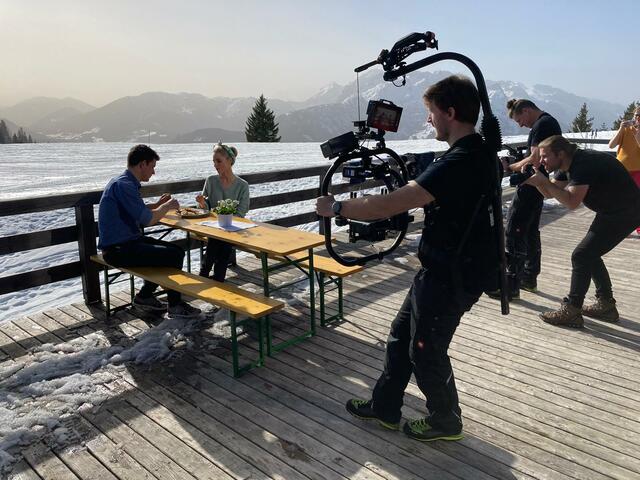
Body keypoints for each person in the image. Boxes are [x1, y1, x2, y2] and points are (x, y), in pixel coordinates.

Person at [316, 75, 498, 442]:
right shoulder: (477, 151)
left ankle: (446, 420)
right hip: (442, 267)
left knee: (426, 350)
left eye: (432, 113)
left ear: (449, 112)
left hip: (453, 275)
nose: (428, 120)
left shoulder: (461, 159)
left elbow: (388, 205)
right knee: (401, 338)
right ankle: (385, 406)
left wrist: (335, 207)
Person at [524, 135, 640, 327]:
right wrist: (538, 182)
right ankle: (606, 305)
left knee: (581, 255)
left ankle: (572, 310)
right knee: (589, 254)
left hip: (626, 212)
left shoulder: (584, 164)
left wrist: (545, 182)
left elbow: (571, 202)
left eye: (544, 156)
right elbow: (551, 193)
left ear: (560, 154)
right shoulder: (566, 163)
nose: (541, 160)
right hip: (612, 210)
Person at [98, 144, 201, 318]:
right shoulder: (125, 185)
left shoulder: (122, 181)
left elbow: (135, 210)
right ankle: (172, 304)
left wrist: (157, 206)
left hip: (125, 243)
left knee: (176, 251)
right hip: (118, 250)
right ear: (142, 164)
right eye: (152, 166)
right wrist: (167, 207)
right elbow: (147, 219)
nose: (153, 172)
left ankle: (146, 296)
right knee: (173, 256)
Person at [489, 99, 562, 299]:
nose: (520, 124)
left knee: (514, 230)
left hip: (531, 184)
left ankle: (511, 284)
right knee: (529, 231)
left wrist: (510, 167)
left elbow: (535, 158)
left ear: (527, 111)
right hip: (539, 184)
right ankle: (529, 278)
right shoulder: (549, 122)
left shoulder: (542, 125)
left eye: (519, 119)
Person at [196, 143, 250, 281]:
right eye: (214, 161)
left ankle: (205, 274)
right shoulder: (211, 181)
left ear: (230, 161)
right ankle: (218, 277)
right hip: (213, 227)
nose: (215, 164)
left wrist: (226, 224)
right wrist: (202, 203)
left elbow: (241, 213)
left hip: (234, 227)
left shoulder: (242, 185)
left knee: (222, 239)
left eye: (218, 161)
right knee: (219, 238)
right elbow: (204, 209)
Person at [608, 106, 640, 234]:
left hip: (638, 170)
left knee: (636, 200)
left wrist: (637, 133)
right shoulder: (626, 129)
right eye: (636, 115)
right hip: (621, 169)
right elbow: (611, 145)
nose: (637, 118)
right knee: (619, 200)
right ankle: (620, 227)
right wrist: (621, 128)